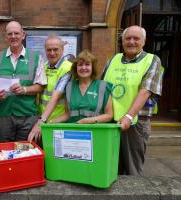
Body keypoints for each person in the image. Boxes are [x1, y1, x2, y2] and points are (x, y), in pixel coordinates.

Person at [102, 25, 163, 175]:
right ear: (122, 42)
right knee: (111, 167)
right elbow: (102, 87)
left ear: (144, 41)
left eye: (136, 38)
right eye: (128, 38)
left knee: (132, 170)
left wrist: (128, 116)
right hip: (110, 121)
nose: (131, 42)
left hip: (135, 123)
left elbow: (146, 91)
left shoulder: (152, 60)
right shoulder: (113, 59)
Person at [0, 21, 47, 142]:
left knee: (26, 152)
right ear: (6, 36)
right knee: (5, 151)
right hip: (4, 116)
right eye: (10, 34)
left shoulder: (35, 57)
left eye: (16, 33)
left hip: (28, 116)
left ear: (23, 35)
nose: (13, 36)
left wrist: (24, 89)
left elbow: (40, 86)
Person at [27, 35, 72, 142]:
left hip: (59, 122)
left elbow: (55, 98)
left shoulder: (67, 68)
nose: (52, 53)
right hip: (44, 120)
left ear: (62, 49)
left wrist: (41, 121)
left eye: (55, 49)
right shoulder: (44, 66)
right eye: (49, 50)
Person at [48, 50, 113, 124]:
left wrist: (87, 121)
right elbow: (68, 114)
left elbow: (109, 115)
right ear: (76, 68)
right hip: (74, 131)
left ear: (93, 67)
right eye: (80, 65)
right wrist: (51, 122)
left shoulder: (103, 86)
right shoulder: (69, 86)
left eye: (87, 64)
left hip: (96, 131)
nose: (83, 67)